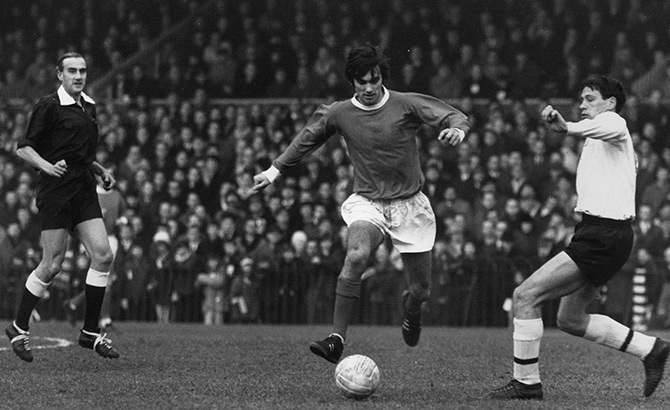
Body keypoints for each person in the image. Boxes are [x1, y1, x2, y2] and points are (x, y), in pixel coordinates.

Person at [252, 43, 470, 363]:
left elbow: (453, 115)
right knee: (356, 257)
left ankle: (411, 308)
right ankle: (336, 339)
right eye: (361, 81)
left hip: (410, 205)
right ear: (351, 81)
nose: (368, 87)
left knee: (422, 289)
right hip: (369, 201)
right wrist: (273, 171)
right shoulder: (340, 112)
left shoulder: (405, 104)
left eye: (374, 79)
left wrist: (457, 131)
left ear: (382, 77)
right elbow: (308, 137)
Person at [486, 75, 670, 400]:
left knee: (525, 296)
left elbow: (610, 127)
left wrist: (567, 127)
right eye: (581, 99)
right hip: (599, 233)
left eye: (589, 98)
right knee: (569, 318)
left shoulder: (613, 121)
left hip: (603, 235)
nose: (582, 104)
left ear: (610, 103)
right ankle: (651, 349)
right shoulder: (601, 140)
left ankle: (526, 382)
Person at [4, 52, 119, 362]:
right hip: (56, 190)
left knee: (103, 255)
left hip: (83, 188)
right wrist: (47, 166)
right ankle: (18, 327)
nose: (78, 76)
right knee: (52, 264)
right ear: (60, 75)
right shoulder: (48, 106)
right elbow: (24, 148)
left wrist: (100, 170)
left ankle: (90, 332)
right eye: (72, 71)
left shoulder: (90, 106)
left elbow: (80, 152)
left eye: (82, 70)